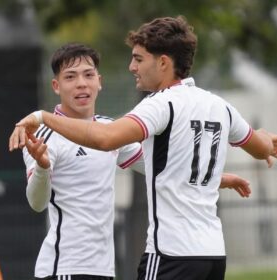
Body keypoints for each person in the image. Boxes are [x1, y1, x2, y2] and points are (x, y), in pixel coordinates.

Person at [16, 42, 252, 280]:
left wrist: (217, 178)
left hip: (103, 270)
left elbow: (154, 167)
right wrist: (43, 168)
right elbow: (37, 203)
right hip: (64, 269)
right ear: (56, 86)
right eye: (70, 77)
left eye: (88, 75)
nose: (81, 83)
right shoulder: (43, 135)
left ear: (100, 81)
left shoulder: (109, 130)